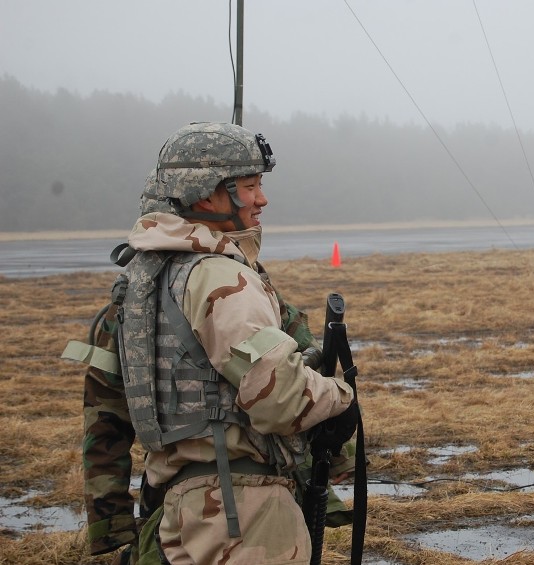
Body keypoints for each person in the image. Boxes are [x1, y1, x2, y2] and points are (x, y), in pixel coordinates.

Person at [70, 122, 358, 564]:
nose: (261, 199)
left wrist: (111, 525)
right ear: (207, 195)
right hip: (243, 516)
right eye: (249, 186)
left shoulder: (140, 282)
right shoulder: (223, 276)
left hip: (175, 514)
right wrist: (341, 396)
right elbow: (281, 397)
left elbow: (105, 412)